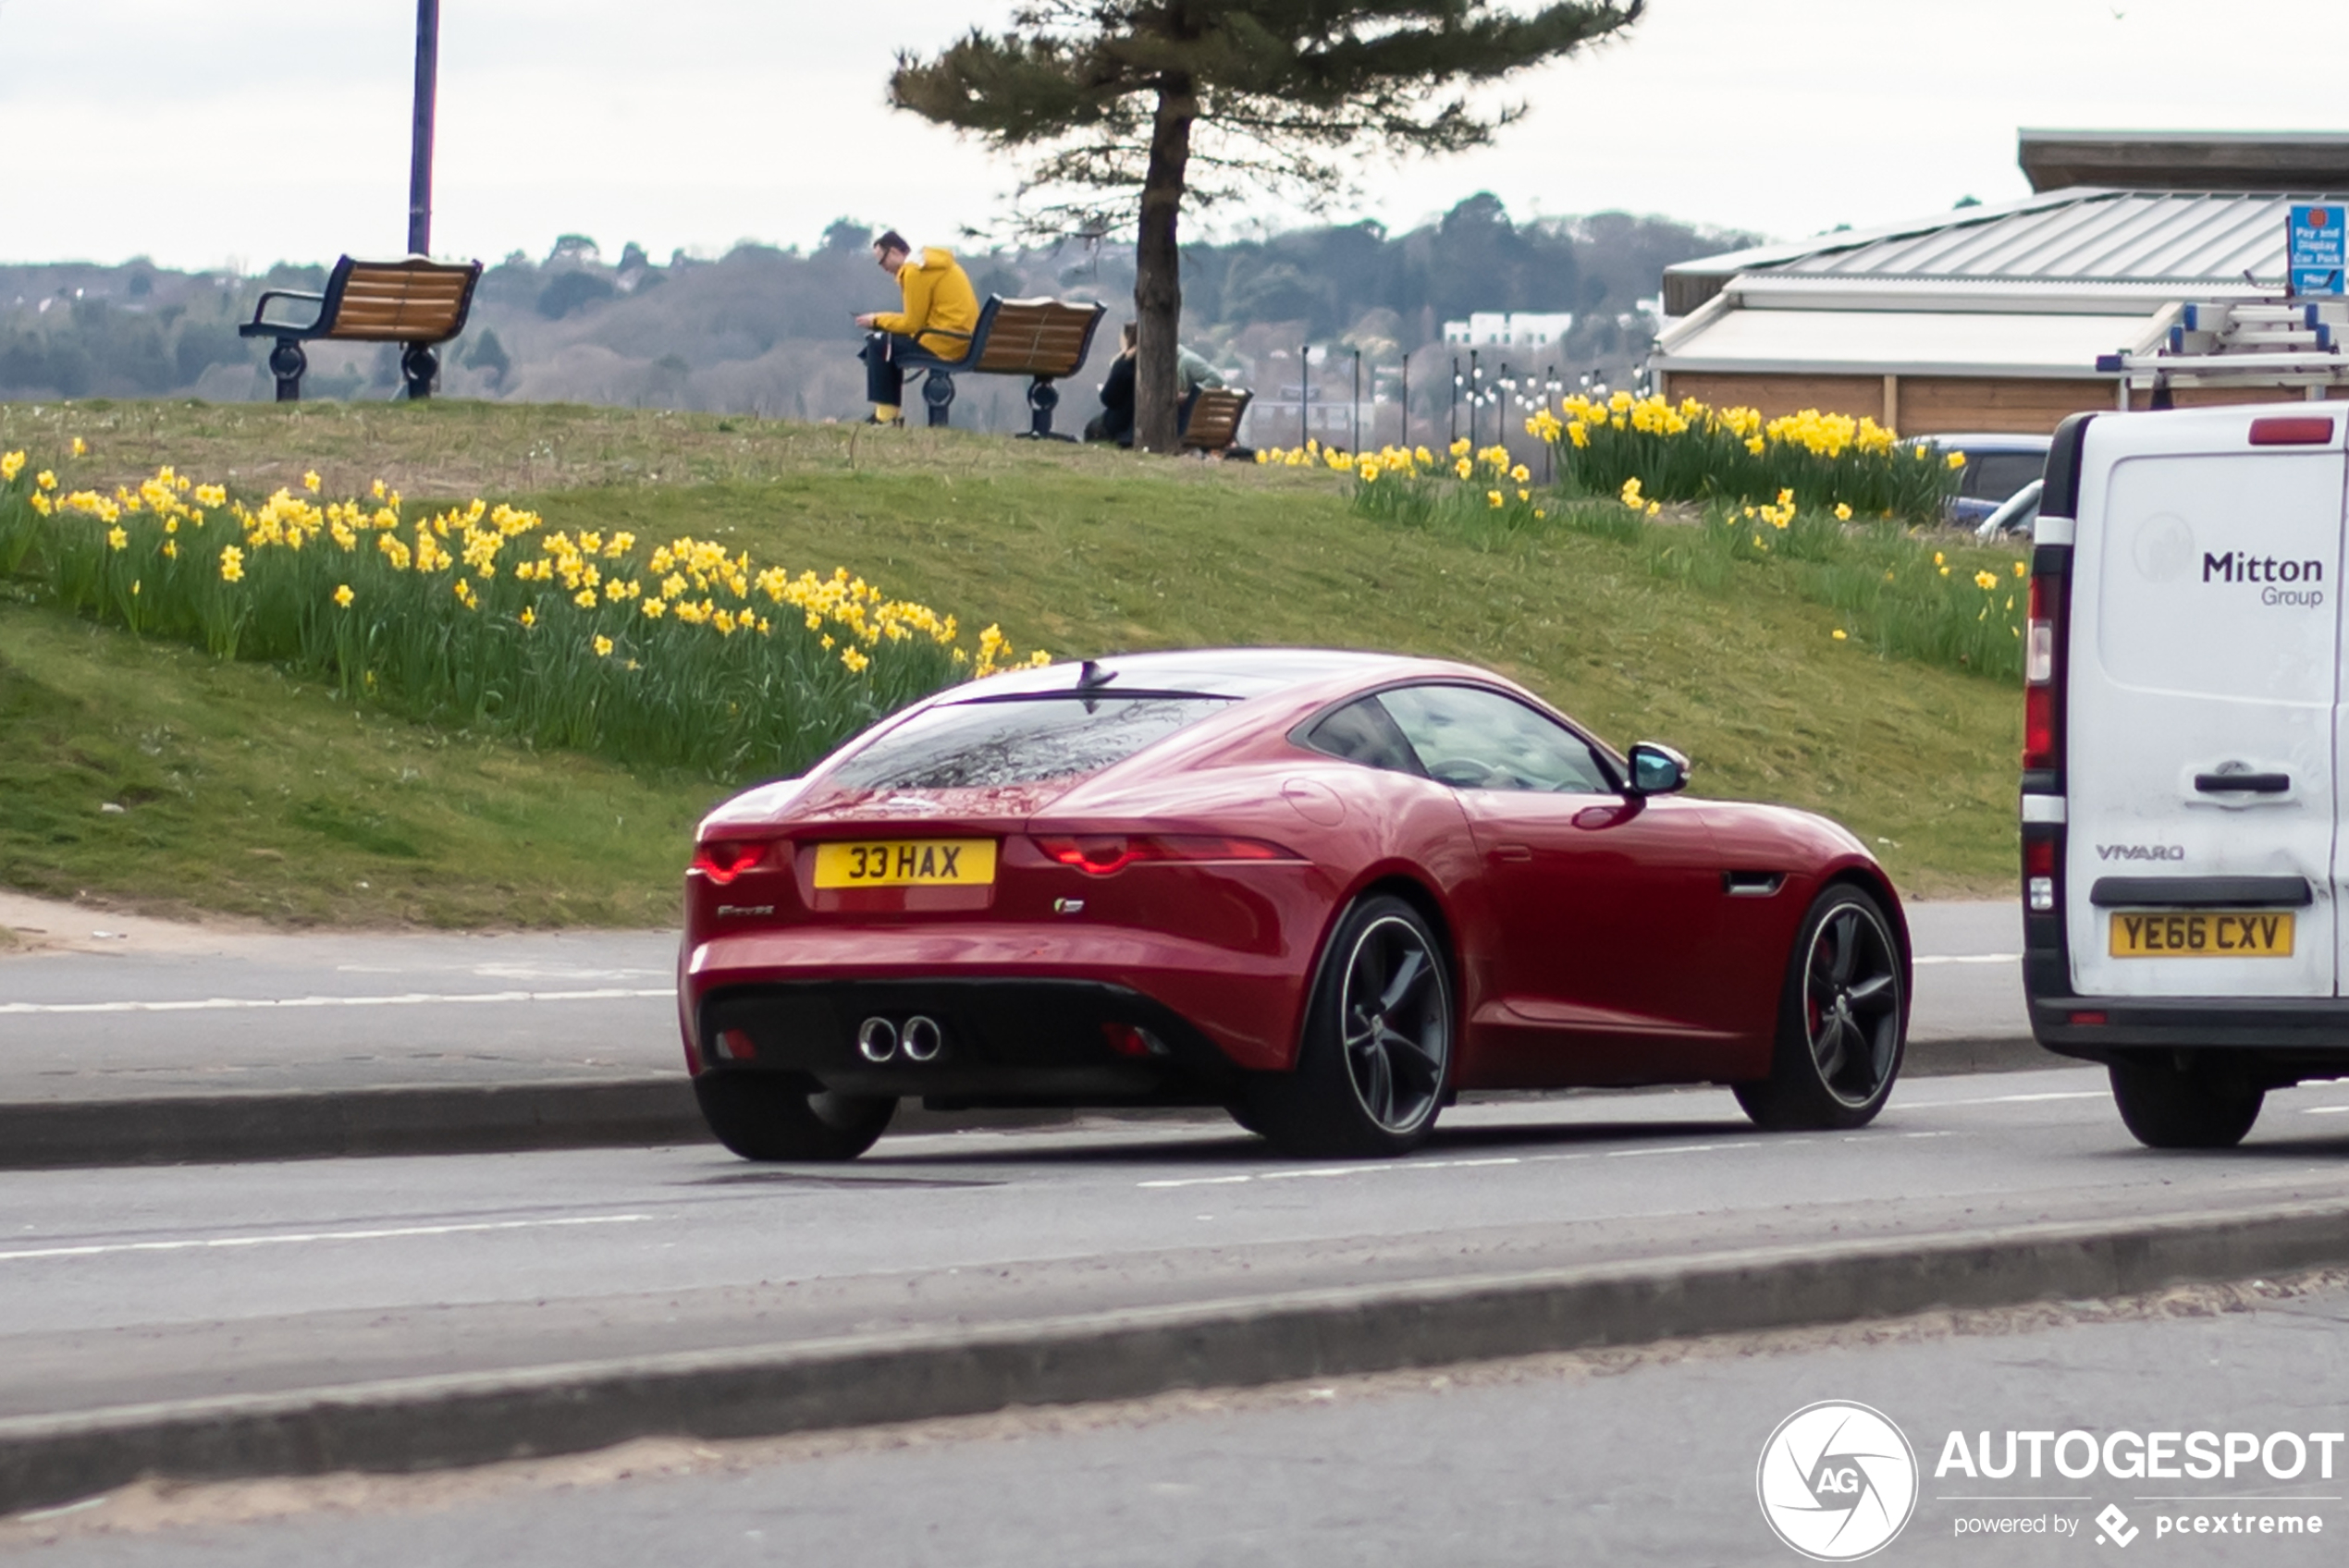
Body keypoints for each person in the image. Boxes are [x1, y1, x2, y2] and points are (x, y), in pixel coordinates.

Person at [854, 231, 978, 425]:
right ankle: (886, 414)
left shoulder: (914, 271)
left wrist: (876, 320)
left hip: (942, 342)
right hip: (960, 339)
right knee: (884, 344)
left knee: (878, 342)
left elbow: (912, 324)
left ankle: (886, 415)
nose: (883, 267)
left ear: (895, 252)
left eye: (882, 260)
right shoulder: (935, 265)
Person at [1085, 324, 1224, 446]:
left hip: (1126, 428)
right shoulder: (1163, 363)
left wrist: (1189, 396)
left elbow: (1108, 398)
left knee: (1093, 429)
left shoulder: (1129, 365)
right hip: (1168, 425)